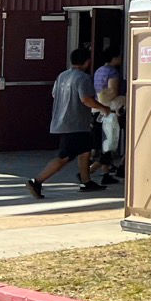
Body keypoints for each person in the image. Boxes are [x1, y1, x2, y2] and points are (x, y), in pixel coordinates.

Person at [25, 49, 110, 198]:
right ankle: (37, 181)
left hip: (63, 121)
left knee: (85, 150)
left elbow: (53, 94)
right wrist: (103, 108)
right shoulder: (83, 78)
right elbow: (86, 99)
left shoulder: (62, 76)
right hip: (75, 123)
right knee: (64, 157)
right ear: (87, 62)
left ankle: (86, 181)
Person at [92, 48, 124, 184]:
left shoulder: (99, 71)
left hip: (96, 109)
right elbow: (112, 91)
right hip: (109, 110)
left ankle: (106, 174)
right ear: (114, 58)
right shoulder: (112, 72)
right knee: (110, 143)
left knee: (105, 143)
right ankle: (88, 170)